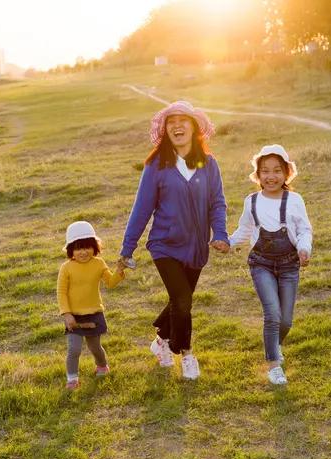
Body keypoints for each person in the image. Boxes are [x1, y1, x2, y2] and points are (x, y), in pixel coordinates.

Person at [119, 101, 229, 380]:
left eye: (183, 120)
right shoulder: (157, 165)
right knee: (182, 300)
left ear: (195, 127)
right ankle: (187, 354)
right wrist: (127, 249)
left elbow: (217, 203)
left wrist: (220, 234)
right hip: (164, 245)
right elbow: (141, 208)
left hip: (196, 247)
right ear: (165, 130)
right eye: (171, 122)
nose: (177, 126)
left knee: (181, 300)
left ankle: (160, 341)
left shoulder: (208, 163)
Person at [229, 145, 312, 385]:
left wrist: (304, 249)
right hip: (261, 264)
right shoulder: (252, 201)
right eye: (265, 171)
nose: (271, 176)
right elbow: (244, 231)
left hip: (289, 265)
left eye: (277, 170)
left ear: (287, 173)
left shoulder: (294, 200)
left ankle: (275, 344)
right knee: (272, 314)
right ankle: (274, 364)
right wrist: (228, 243)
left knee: (286, 320)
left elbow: (305, 229)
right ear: (258, 174)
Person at [58, 221, 125, 390]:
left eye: (87, 247)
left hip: (94, 313)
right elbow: (61, 293)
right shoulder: (66, 268)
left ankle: (102, 366)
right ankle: (72, 378)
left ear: (95, 247)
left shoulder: (99, 263)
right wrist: (67, 314)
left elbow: (110, 282)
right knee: (74, 349)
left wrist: (119, 270)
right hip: (74, 316)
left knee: (95, 346)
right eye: (78, 248)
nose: (83, 252)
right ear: (70, 250)